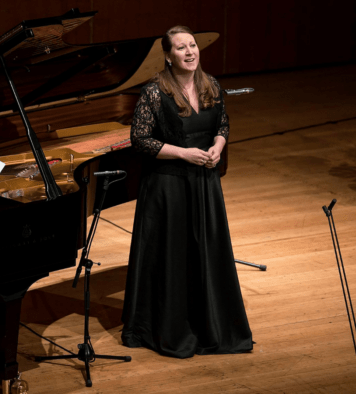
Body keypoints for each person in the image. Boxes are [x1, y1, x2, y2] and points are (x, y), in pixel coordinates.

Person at [120, 26, 253, 358]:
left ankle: (210, 325)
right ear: (168, 55)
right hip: (168, 186)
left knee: (206, 251)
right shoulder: (153, 92)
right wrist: (184, 153)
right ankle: (170, 326)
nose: (190, 52)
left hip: (205, 184)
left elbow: (222, 123)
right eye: (181, 48)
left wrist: (218, 147)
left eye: (193, 45)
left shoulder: (211, 85)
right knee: (173, 256)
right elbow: (141, 140)